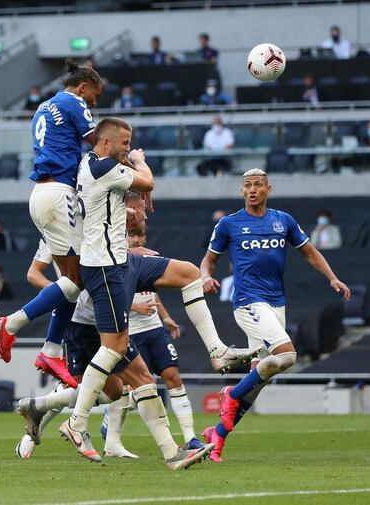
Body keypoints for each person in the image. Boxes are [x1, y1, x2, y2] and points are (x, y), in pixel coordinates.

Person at [59, 118, 253, 462]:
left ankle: (216, 353)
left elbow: (128, 195)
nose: (127, 148)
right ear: (105, 144)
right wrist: (138, 162)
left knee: (190, 273)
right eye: (124, 143)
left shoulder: (94, 165)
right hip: (105, 268)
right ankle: (76, 421)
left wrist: (132, 201)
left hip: (123, 260)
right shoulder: (103, 165)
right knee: (116, 348)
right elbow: (148, 182)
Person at [200, 168, 351, 463]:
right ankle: (230, 395)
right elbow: (208, 261)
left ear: (269, 188)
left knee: (260, 378)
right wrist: (206, 276)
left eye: (258, 185)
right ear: (242, 191)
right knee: (288, 355)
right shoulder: (229, 224)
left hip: (275, 303)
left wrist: (332, 277)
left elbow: (310, 252)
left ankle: (218, 434)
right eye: (247, 186)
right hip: (248, 302)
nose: (252, 189)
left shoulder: (283, 221)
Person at [0, 59, 101, 386]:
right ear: (83, 87)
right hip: (58, 194)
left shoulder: (45, 106)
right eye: (94, 95)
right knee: (78, 280)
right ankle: (11, 324)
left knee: (72, 282)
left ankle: (51, 351)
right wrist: (129, 158)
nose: (94, 102)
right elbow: (99, 141)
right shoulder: (73, 101)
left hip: (42, 193)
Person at [113, 227, 204, 450]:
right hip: (131, 332)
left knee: (173, 377)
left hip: (155, 330)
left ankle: (190, 438)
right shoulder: (116, 260)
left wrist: (166, 318)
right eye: (130, 235)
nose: (135, 239)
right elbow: (109, 296)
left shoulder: (148, 257)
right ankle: (112, 425)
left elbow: (154, 293)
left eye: (138, 235)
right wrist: (134, 305)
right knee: (138, 387)